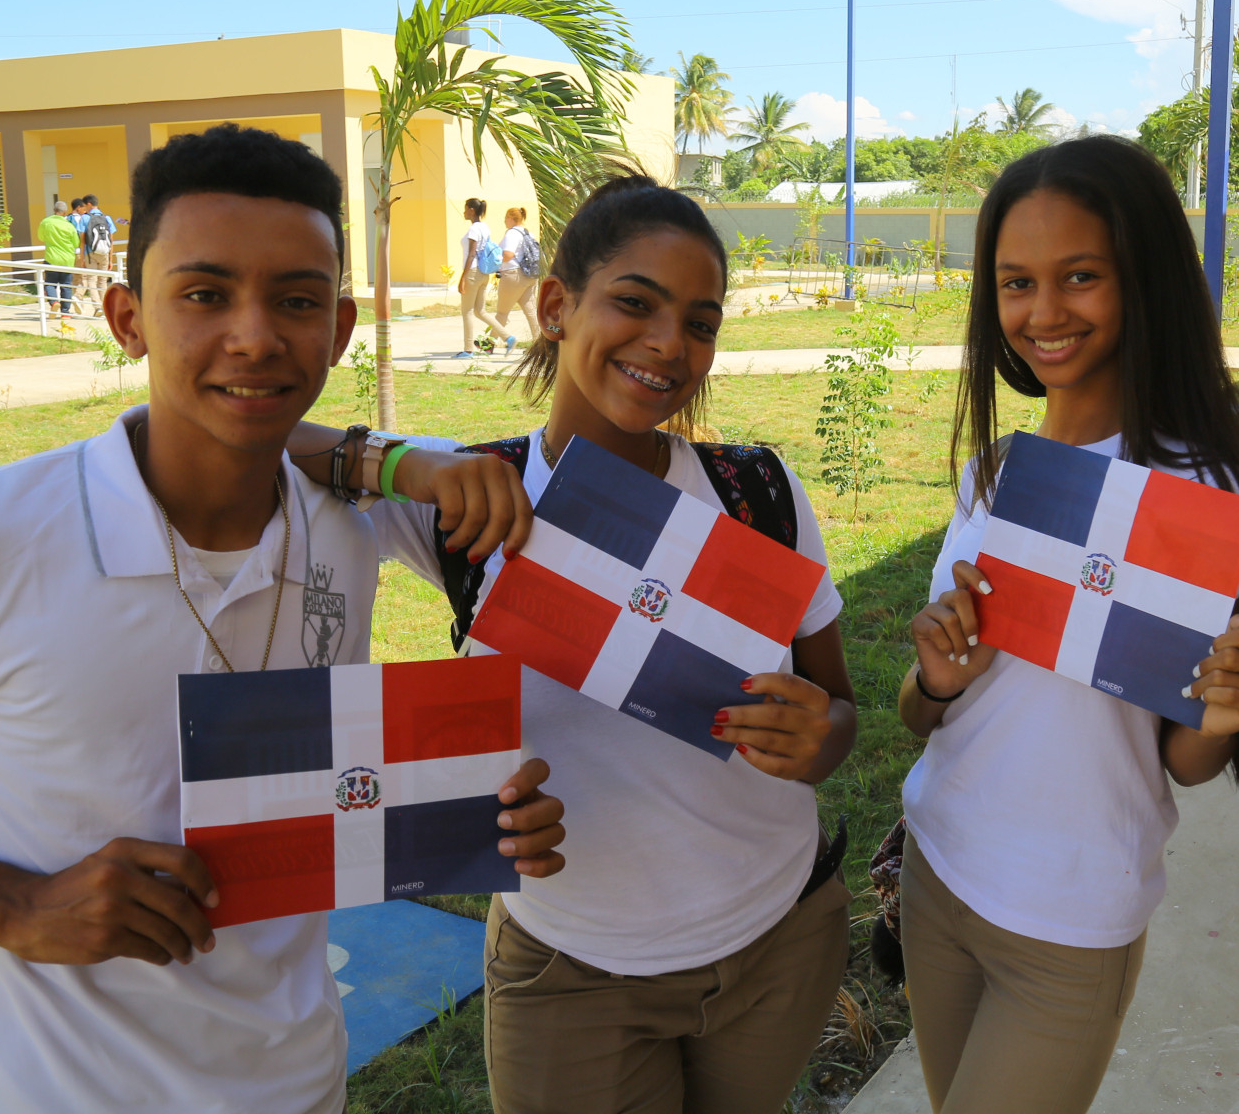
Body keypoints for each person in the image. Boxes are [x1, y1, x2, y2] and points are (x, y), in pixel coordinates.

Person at [0, 123, 566, 1111]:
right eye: (204, 294)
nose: (255, 335)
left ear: (340, 328)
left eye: (297, 300)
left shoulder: (348, 528)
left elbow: (332, 789)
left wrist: (477, 812)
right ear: (127, 317)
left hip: (298, 1080)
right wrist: (13, 906)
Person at [287, 175, 858, 1114]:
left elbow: (838, 711)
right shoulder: (474, 497)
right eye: (635, 303)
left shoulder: (756, 492)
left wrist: (818, 735)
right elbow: (247, 438)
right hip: (572, 972)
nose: (669, 343)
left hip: (777, 941)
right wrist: (398, 461)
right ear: (555, 305)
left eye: (700, 322)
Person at [892, 136, 1239, 1114]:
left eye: (1080, 276)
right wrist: (938, 674)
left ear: (1143, 279)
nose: (1043, 312)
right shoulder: (995, 473)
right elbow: (921, 713)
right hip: (939, 868)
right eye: (1016, 282)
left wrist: (1227, 715)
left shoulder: (1198, 492)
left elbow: (1183, 759)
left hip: (1069, 913)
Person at [456, 196, 514, 358]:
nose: (464, 212)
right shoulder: (485, 227)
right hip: (483, 273)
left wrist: (463, 278)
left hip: (473, 272)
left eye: (466, 209)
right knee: (480, 311)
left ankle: (468, 349)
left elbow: (471, 254)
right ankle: (508, 337)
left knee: (467, 311)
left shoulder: (474, 229)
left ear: (471, 210)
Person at [494, 206, 539, 339]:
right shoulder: (528, 233)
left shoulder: (512, 233)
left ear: (510, 218)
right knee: (531, 312)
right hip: (529, 276)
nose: (504, 221)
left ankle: (489, 343)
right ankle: (539, 342)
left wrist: (495, 261)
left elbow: (508, 254)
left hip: (513, 275)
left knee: (502, 312)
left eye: (505, 218)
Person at [37, 200, 80, 316]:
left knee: (50, 283)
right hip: (67, 260)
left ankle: (54, 302)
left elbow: (41, 237)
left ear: (54, 210)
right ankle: (65, 313)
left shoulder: (46, 222)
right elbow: (76, 243)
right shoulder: (70, 226)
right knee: (66, 286)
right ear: (65, 212)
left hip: (52, 258)